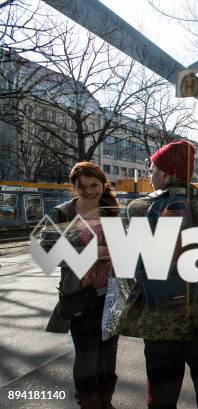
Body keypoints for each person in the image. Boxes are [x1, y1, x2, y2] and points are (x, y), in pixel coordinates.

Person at [119, 140, 198, 409]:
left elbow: (128, 269)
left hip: (159, 326)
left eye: (152, 169)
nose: (149, 176)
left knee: (161, 400)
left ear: (166, 173)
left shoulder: (138, 209)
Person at [43, 161, 120, 409]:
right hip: (80, 295)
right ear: (74, 186)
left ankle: (106, 401)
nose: (88, 191)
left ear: (103, 184)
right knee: (87, 356)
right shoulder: (62, 213)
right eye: (82, 186)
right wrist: (91, 252)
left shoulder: (111, 210)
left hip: (113, 295)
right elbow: (47, 249)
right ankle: (89, 403)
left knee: (108, 355)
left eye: (94, 185)